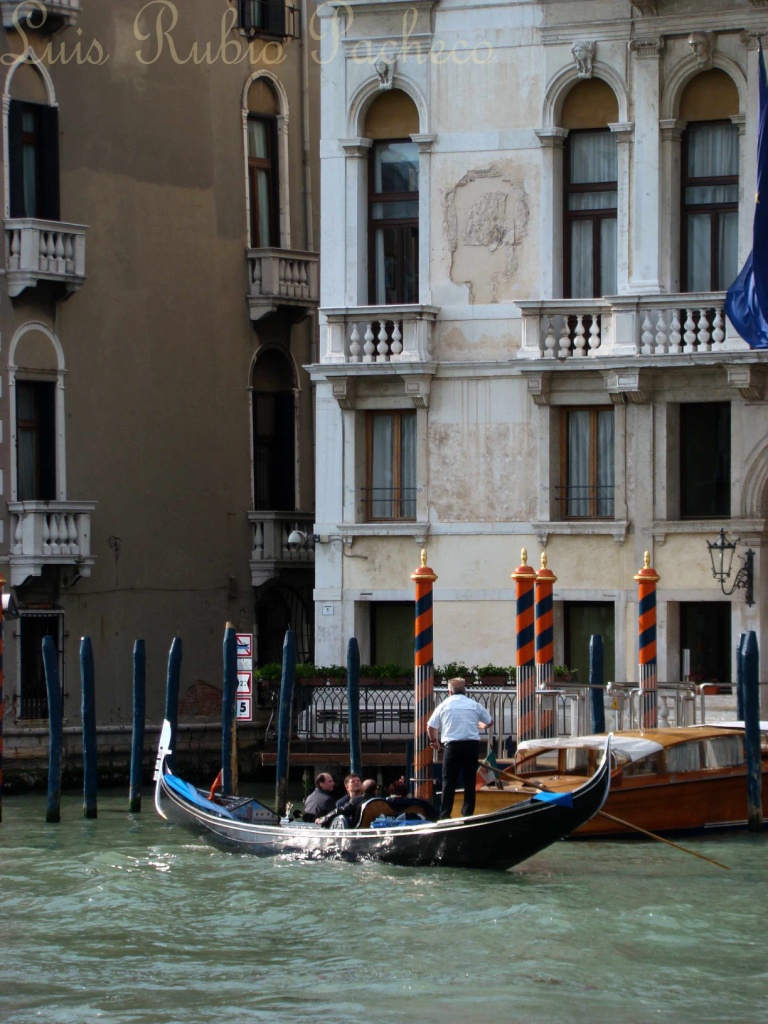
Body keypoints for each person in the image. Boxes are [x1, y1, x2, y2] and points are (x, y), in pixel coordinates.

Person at [427, 676, 492, 819]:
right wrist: (481, 725)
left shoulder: (444, 705)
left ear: (449, 691)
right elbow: (489, 721)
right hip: (471, 746)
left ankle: (445, 815)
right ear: (464, 690)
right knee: (469, 781)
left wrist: (434, 741)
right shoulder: (474, 705)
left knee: (448, 781)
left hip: (452, 747)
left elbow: (430, 726)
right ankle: (467, 813)